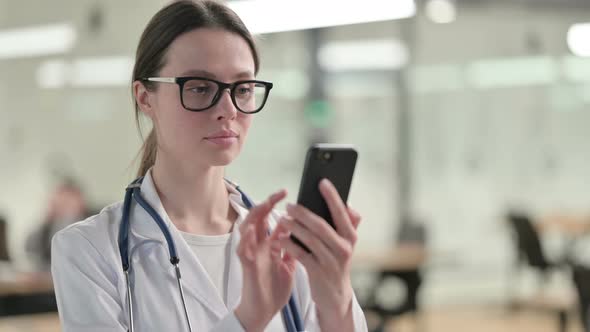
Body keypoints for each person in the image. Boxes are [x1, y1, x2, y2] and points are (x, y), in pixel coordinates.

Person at [51, 1, 368, 331]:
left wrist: (337, 299)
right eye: (201, 88)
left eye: (243, 89)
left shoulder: (287, 243)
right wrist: (248, 319)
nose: (228, 109)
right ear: (145, 98)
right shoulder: (88, 251)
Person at [26, 179, 90, 270]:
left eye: (67, 200)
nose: (62, 204)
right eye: (59, 200)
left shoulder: (92, 226)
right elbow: (30, 249)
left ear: (81, 201)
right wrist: (45, 220)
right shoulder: (47, 226)